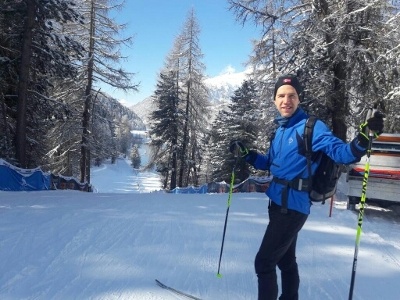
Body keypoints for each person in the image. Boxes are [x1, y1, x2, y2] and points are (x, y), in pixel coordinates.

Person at [229, 74, 384, 300]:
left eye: (292, 96)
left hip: (293, 208)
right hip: (277, 204)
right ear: (274, 100)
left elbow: (342, 153)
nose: (286, 100)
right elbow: (271, 163)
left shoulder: (311, 127)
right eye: (281, 96)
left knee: (264, 262)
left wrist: (362, 139)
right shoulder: (279, 131)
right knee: (285, 260)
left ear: (299, 99)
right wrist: (247, 155)